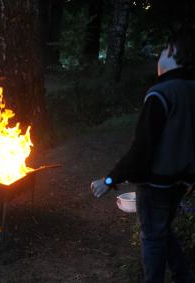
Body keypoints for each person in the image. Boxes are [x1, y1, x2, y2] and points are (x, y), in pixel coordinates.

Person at [91, 27, 195, 283]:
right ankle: (183, 276)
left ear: (174, 53)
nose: (159, 56)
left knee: (152, 236)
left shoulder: (161, 93)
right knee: (162, 229)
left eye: (163, 50)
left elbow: (142, 149)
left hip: (157, 182)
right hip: (183, 182)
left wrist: (109, 180)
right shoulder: (191, 88)